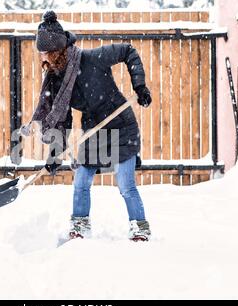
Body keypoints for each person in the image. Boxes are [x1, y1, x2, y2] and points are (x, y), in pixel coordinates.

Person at [20, 10, 152, 242]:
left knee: (125, 184)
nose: (45, 58)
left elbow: (128, 50)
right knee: (81, 181)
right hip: (93, 129)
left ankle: (139, 227)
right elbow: (63, 120)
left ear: (60, 49)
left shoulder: (92, 58)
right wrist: (55, 154)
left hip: (121, 126)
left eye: (48, 52)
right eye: (43, 53)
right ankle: (80, 225)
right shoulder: (58, 80)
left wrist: (139, 86)